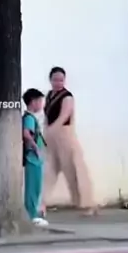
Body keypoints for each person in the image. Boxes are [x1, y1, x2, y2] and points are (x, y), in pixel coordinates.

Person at [42, 66, 97, 215]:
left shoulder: (67, 97)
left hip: (65, 136)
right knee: (48, 170)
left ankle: (87, 204)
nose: (58, 82)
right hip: (50, 136)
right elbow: (47, 116)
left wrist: (51, 130)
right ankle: (40, 202)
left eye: (61, 80)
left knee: (73, 170)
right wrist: (45, 131)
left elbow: (64, 116)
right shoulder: (49, 96)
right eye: (55, 79)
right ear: (50, 80)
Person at [22, 88, 48, 226]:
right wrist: (35, 147)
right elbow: (26, 134)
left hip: (35, 157)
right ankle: (31, 215)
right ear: (33, 102)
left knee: (36, 186)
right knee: (33, 187)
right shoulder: (29, 118)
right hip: (32, 157)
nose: (41, 104)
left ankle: (34, 213)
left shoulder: (30, 117)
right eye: (40, 101)